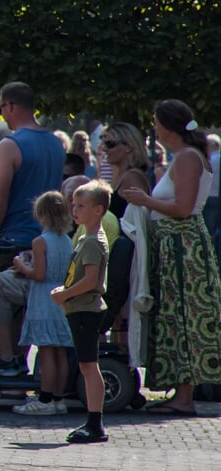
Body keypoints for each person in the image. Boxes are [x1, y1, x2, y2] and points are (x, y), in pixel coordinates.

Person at [119, 99, 221, 416]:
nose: (154, 128)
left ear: (168, 126)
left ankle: (185, 396)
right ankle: (180, 392)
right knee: (173, 317)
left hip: (183, 245)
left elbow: (182, 208)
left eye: (156, 122)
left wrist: (145, 200)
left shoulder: (188, 157)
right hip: (174, 244)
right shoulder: (184, 156)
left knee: (184, 317)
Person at [0, 81, 64, 376]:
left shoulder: (10, 144)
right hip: (47, 236)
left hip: (15, 237)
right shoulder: (55, 143)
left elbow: (0, 197)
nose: (1, 113)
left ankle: (7, 358)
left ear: (10, 106)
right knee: (29, 302)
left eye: (1, 107)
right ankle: (19, 358)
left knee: (5, 298)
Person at [52, 182, 112, 443]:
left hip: (86, 309)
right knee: (87, 365)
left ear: (98, 210)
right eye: (73, 205)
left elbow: (90, 281)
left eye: (81, 206)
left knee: (89, 366)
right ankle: (93, 421)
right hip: (80, 308)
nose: (74, 210)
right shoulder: (86, 238)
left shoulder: (92, 242)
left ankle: (95, 423)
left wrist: (64, 295)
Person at [10, 191, 73, 416]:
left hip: (44, 298)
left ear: (41, 214)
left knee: (46, 351)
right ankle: (59, 399)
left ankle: (44, 399)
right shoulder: (67, 241)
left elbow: (38, 274)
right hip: (62, 296)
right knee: (60, 352)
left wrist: (20, 265)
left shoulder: (40, 241)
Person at [95, 122, 148, 341]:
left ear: (128, 147)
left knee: (122, 329)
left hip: (128, 262)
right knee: (118, 328)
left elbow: (142, 221)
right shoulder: (121, 177)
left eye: (109, 143)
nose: (104, 148)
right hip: (119, 257)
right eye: (103, 142)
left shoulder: (132, 177)